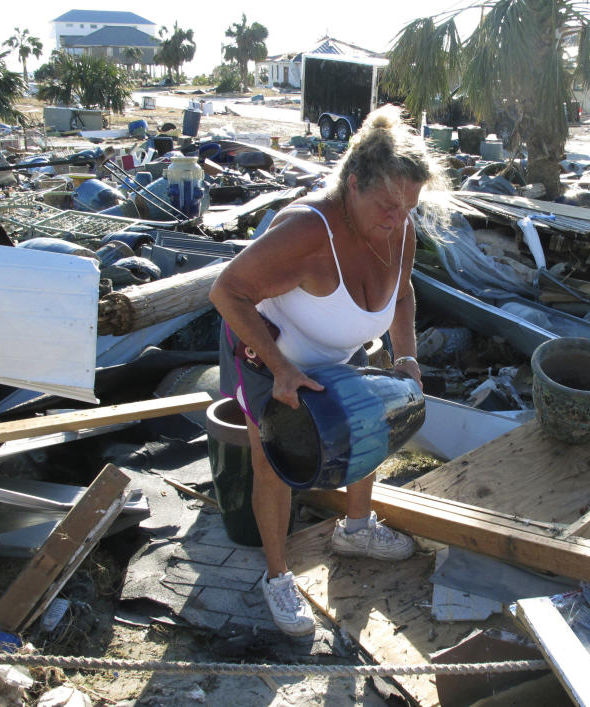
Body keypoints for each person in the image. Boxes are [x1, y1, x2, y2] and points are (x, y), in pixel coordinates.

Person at [209, 105, 446, 637]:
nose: (397, 218)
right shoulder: (308, 232)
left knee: (369, 427)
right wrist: (283, 370)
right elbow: (226, 292)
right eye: (386, 204)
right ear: (353, 184)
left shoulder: (400, 231)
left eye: (408, 207)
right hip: (268, 352)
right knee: (274, 463)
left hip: (339, 349)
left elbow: (403, 296)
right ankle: (276, 575)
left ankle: (356, 528)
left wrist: (406, 358)